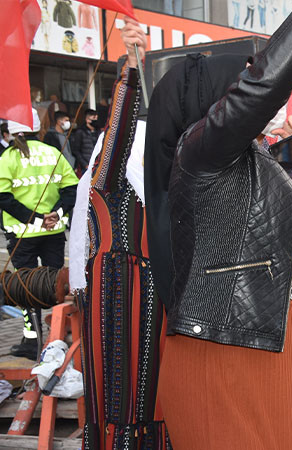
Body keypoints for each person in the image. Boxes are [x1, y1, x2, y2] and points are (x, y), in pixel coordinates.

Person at [144, 1, 292, 448]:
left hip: (269, 347)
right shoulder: (197, 153)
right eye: (240, 81)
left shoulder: (261, 163)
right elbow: (262, 87)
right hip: (222, 352)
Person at [66, 18, 172, 448]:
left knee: (152, 395)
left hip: (153, 287)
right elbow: (123, 128)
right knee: (120, 397)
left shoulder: (168, 153)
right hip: (117, 289)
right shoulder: (110, 158)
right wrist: (132, 66)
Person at [0, 108, 79, 360]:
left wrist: (33, 218)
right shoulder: (52, 152)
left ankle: (31, 340)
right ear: (38, 128)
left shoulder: (8, 157)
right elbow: (71, 187)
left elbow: (4, 197)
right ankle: (59, 337)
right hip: (53, 231)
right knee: (55, 284)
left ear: (11, 132)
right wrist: (56, 212)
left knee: (24, 287)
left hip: (22, 233)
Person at [69, 108, 101, 174]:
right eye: (93, 118)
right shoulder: (80, 132)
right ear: (87, 120)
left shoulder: (99, 132)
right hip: (87, 166)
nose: (96, 120)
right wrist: (85, 164)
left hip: (98, 165)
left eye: (96, 118)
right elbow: (76, 150)